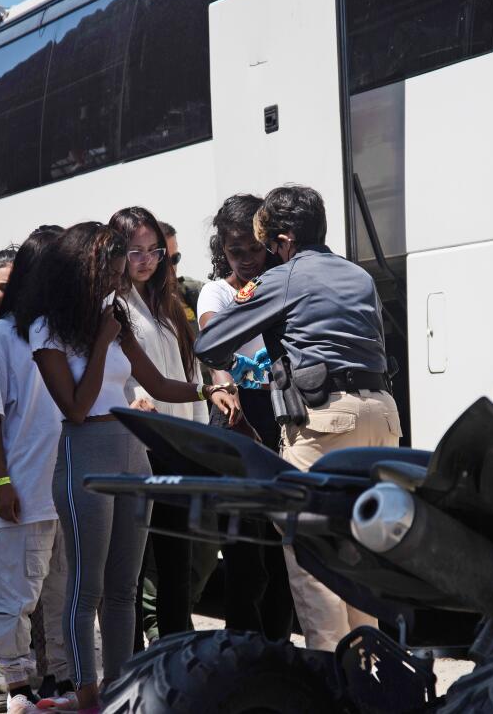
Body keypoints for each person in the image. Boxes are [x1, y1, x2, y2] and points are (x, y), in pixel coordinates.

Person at [17, 222, 239, 714]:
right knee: (87, 589)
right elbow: (75, 407)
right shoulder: (47, 328)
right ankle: (88, 693)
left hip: (132, 456)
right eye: (110, 268)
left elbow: (158, 384)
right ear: (81, 268)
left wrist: (209, 389)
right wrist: (101, 343)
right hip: (85, 454)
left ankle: (120, 691)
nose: (118, 277)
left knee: (123, 588)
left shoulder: (111, 314)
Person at [196, 185, 401, 652]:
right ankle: (365, 672)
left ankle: (329, 680)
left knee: (312, 560)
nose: (264, 253)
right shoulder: (358, 275)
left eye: (267, 243)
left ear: (284, 240)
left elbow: (209, 345)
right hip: (381, 417)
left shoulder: (283, 277)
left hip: (326, 421)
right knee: (355, 547)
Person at [0, 229, 67, 714]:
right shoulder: (1, 336)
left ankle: (57, 682)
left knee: (59, 597)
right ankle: (16, 688)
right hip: (23, 491)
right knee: (13, 599)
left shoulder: (67, 330)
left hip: (66, 491)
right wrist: (4, 481)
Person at [108, 207, 209, 646]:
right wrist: (133, 397)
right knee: (129, 566)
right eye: (135, 251)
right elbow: (115, 374)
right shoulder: (112, 306)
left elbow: (191, 376)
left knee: (177, 562)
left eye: (154, 251)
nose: (147, 260)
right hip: (136, 445)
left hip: (180, 444)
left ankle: (175, 652)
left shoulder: (169, 303)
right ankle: (129, 661)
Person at [196, 194, 294, 640]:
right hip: (237, 419)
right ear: (223, 249)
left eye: (255, 249)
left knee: (283, 552)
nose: (248, 259)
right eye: (237, 252)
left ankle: (279, 651)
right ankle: (242, 653)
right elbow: (215, 342)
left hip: (281, 415)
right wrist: (225, 385)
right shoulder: (216, 291)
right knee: (244, 554)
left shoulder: (286, 282)